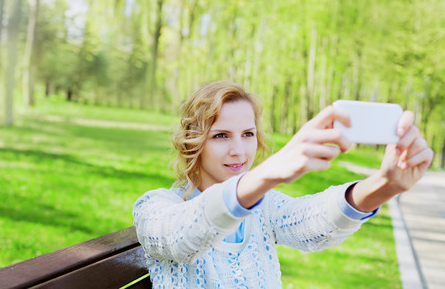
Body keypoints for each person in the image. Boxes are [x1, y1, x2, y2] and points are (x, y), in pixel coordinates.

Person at [133, 80, 433, 288]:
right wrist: (269, 173)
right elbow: (182, 236)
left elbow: (312, 221)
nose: (239, 150)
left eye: (248, 134)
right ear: (193, 142)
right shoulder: (156, 207)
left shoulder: (264, 207)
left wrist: (385, 185)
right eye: (221, 136)